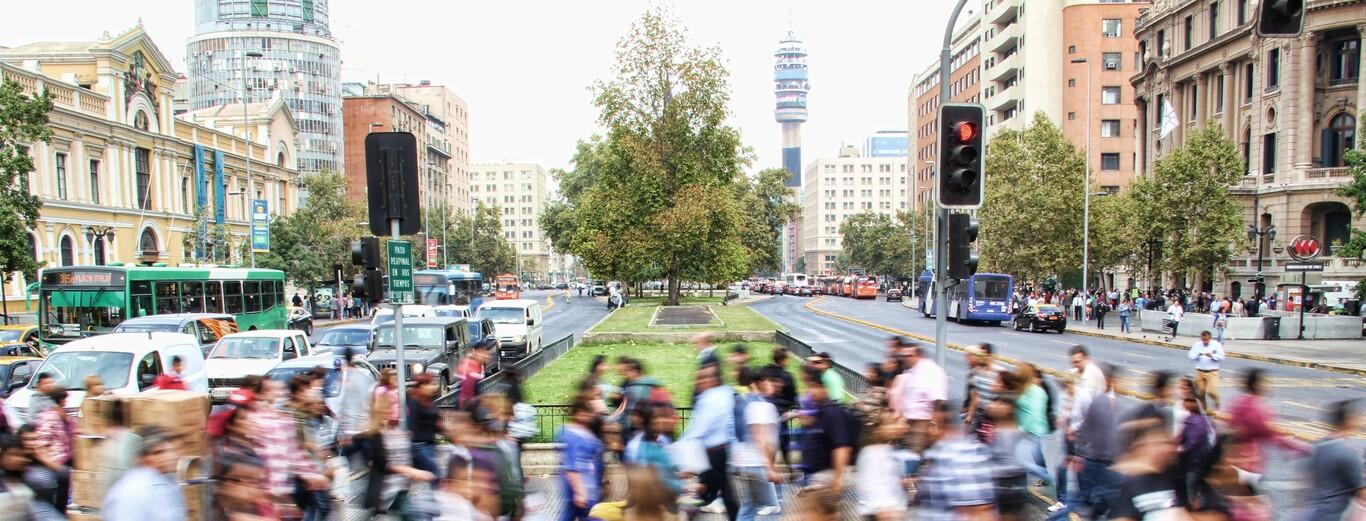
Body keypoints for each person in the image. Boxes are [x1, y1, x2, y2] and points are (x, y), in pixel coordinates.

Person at [917, 401, 996, 520]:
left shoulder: (963, 456)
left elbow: (980, 512)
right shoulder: (938, 454)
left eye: (928, 424)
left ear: (936, 426)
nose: (923, 431)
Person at [1226, 368, 1310, 477]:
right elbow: (1272, 435)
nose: (1269, 386)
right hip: (1247, 464)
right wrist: (1304, 448)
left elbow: (1231, 423)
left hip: (1234, 461)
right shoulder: (1257, 408)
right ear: (1256, 385)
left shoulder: (1239, 401)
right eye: (1266, 382)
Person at [683, 363, 737, 519]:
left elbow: (698, 429)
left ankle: (682, 509)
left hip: (713, 454)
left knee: (707, 491)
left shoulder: (708, 399)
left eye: (703, 378)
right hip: (719, 452)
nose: (699, 382)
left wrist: (683, 453)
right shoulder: (726, 393)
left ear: (714, 379)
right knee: (725, 495)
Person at [1105, 418, 1185, 520]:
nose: (1168, 448)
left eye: (1169, 443)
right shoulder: (1124, 480)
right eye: (1160, 443)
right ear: (1142, 446)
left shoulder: (1167, 476)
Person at [1070, 363, 1122, 519]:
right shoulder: (1099, 401)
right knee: (1091, 505)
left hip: (1111, 462)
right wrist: (1079, 454)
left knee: (1101, 505)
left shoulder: (1118, 403)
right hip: (1095, 461)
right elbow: (1085, 430)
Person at [102, 426, 185, 521]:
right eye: (158, 453)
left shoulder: (168, 481)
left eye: (171, 450)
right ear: (143, 458)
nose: (169, 457)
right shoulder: (135, 491)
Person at [730, 369, 779, 521]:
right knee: (772, 508)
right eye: (769, 380)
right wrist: (770, 468)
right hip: (757, 465)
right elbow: (761, 438)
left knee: (749, 506)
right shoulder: (761, 405)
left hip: (745, 462)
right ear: (760, 383)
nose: (773, 384)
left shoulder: (746, 403)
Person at [1304, 399, 1364, 521]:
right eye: (1359, 416)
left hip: (1311, 513)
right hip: (1329, 516)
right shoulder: (1348, 454)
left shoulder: (1318, 445)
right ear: (1349, 420)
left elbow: (1307, 480)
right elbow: (1363, 493)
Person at [799, 366, 854, 495]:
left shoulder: (832, 413)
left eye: (812, 387)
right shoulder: (820, 412)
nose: (809, 392)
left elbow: (842, 447)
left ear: (824, 388)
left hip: (826, 478)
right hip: (817, 476)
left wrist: (837, 479)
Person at [887, 341, 947, 452]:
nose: (905, 359)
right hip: (908, 421)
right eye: (903, 356)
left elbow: (938, 401)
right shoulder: (911, 370)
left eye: (909, 355)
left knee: (917, 453)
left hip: (923, 422)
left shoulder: (930, 371)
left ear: (919, 355)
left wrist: (934, 424)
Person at [558, 395, 604, 521]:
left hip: (586, 486)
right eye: (584, 413)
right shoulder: (573, 435)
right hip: (582, 487)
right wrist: (579, 492)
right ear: (576, 414)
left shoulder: (584, 432)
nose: (588, 416)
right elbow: (571, 465)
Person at [856, 418, 909, 521]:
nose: (903, 426)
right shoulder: (872, 452)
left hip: (891, 510)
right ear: (877, 430)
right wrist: (883, 508)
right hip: (882, 512)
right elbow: (869, 482)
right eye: (892, 423)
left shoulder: (889, 449)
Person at [31, 387, 72, 512]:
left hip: (62, 462)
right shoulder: (49, 416)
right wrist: (53, 464)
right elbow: (41, 443)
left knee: (63, 498)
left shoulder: (61, 415)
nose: (66, 402)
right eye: (65, 399)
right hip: (55, 464)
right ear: (60, 400)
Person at [408, 373, 441, 477]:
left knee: (432, 474)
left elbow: (436, 423)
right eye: (431, 384)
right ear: (422, 386)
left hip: (430, 443)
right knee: (435, 473)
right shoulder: (413, 401)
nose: (434, 387)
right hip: (418, 445)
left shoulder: (429, 401)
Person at [459, 343, 492, 409]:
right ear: (476, 352)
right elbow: (467, 394)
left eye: (488, 354)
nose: (487, 357)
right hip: (468, 408)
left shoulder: (476, 365)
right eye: (484, 353)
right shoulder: (471, 367)